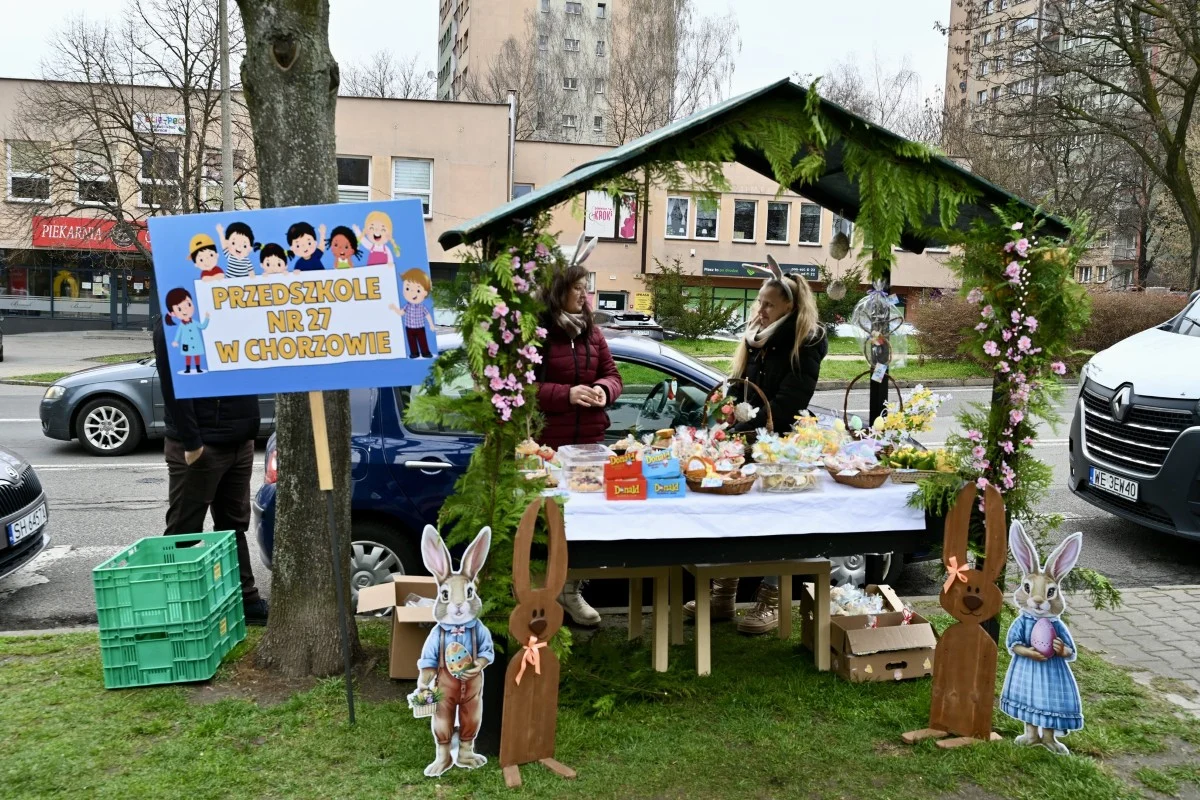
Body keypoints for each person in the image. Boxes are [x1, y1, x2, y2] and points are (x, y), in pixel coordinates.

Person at [685, 265, 828, 635]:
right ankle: (722, 594)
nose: (759, 310)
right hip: (749, 443)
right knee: (737, 521)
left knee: (778, 524)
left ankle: (771, 600)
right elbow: (739, 390)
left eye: (768, 305)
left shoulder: (805, 342)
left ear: (789, 308)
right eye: (759, 302)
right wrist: (725, 421)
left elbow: (787, 405)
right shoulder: (756, 338)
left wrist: (743, 430)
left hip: (785, 451)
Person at [153, 314, 270, 624]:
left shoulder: (230, 310)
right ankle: (175, 607)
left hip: (239, 441)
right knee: (183, 531)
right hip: (200, 446)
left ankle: (246, 600)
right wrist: (192, 443)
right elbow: (172, 382)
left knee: (233, 527)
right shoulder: (174, 319)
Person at [536, 261, 622, 625]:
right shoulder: (538, 333)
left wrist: (604, 390)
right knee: (548, 526)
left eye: (585, 287)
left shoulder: (593, 333)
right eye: (576, 288)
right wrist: (566, 394)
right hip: (549, 449)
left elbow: (613, 375)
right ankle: (540, 599)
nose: (583, 294)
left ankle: (571, 591)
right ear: (558, 290)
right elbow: (522, 389)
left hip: (589, 447)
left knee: (583, 526)